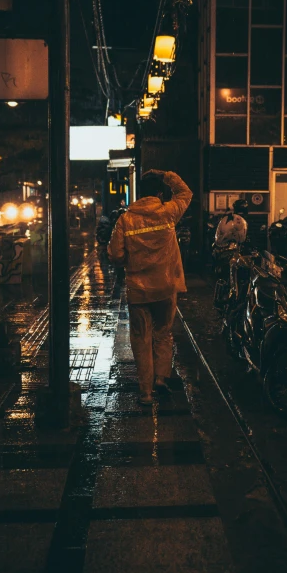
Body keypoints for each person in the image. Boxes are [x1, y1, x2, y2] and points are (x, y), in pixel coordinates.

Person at [108, 169, 192, 405]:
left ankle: (145, 392)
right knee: (163, 334)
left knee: (140, 338)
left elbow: (115, 254)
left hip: (139, 290)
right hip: (165, 287)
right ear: (158, 193)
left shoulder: (126, 219)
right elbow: (185, 192)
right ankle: (161, 379)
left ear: (139, 194)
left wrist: (130, 262)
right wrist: (166, 175)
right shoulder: (168, 213)